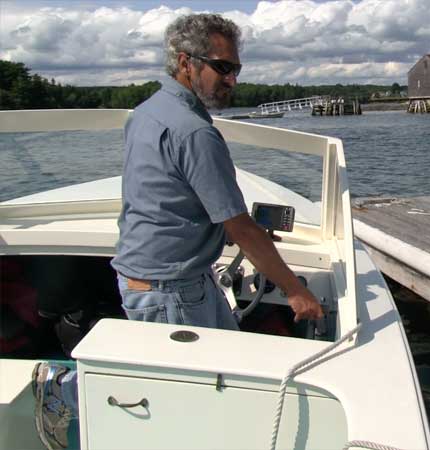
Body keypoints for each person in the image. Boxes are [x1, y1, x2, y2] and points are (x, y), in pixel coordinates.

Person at [32, 13, 322, 449]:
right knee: (188, 394)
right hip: (173, 287)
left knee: (228, 362)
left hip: (159, 276)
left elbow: (169, 199)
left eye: (236, 69)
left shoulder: (147, 111)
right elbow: (241, 225)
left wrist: (224, 235)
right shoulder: (195, 132)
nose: (233, 79)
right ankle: (64, 388)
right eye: (223, 67)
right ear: (187, 62)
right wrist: (295, 291)